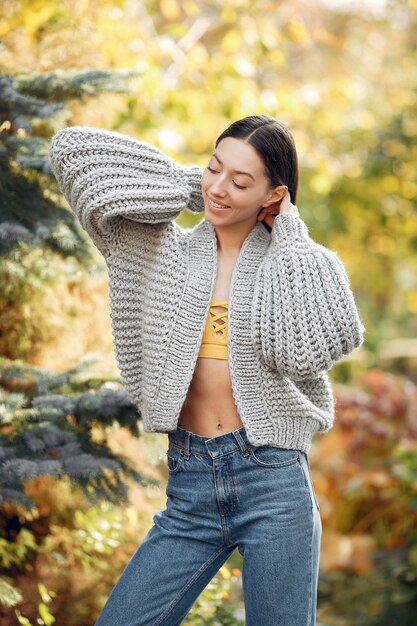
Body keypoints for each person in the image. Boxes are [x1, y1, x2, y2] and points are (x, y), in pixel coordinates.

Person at [49, 114, 366, 626]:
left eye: (240, 182)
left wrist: (288, 233)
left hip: (273, 482)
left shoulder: (298, 263)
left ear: (273, 194)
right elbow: (74, 154)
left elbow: (313, 348)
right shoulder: (160, 251)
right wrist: (191, 187)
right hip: (191, 483)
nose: (220, 187)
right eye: (214, 168)